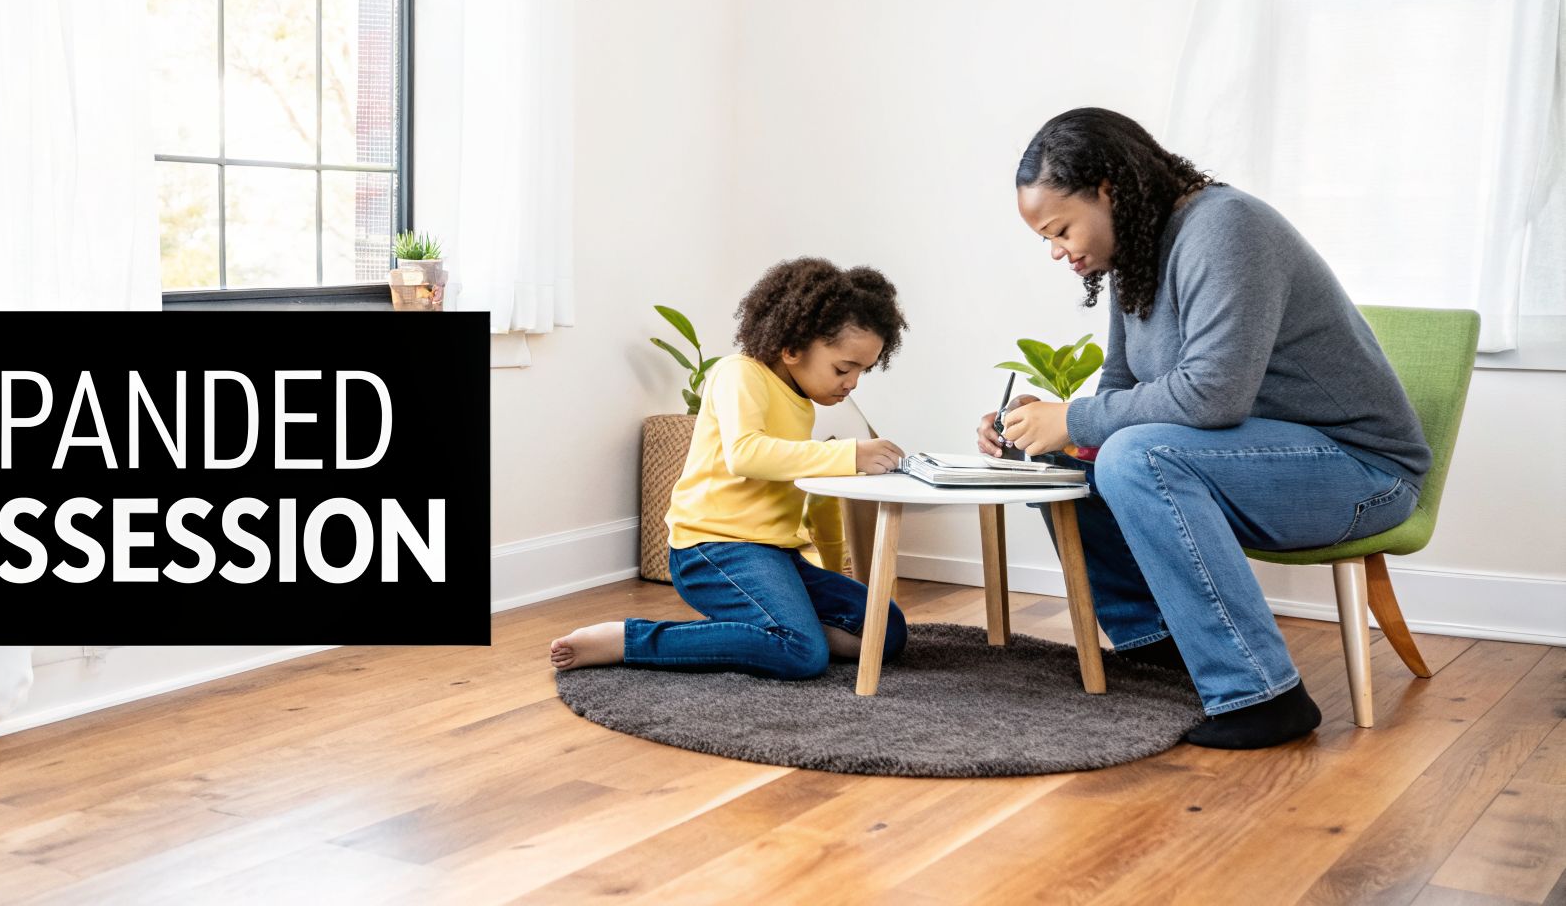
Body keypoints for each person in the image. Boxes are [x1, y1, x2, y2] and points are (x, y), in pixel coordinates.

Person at [978, 108, 1430, 749]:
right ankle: (1157, 649)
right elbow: (1119, 394)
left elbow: (1213, 397)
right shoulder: (1136, 254)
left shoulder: (1227, 227)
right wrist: (1035, 428)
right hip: (1248, 462)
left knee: (1136, 456)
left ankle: (1263, 695)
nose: (1057, 251)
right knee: (1065, 463)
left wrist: (1074, 418)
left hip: (1359, 472)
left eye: (1061, 229)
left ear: (1108, 189)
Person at [552, 257, 911, 678]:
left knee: (888, 630)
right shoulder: (739, 374)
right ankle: (629, 640)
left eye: (862, 372)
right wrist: (851, 455)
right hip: (712, 548)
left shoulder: (800, 400)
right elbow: (747, 454)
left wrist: (832, 559)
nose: (852, 383)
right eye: (843, 368)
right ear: (792, 347)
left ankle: (773, 634)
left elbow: (805, 487)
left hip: (774, 553)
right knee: (803, 655)